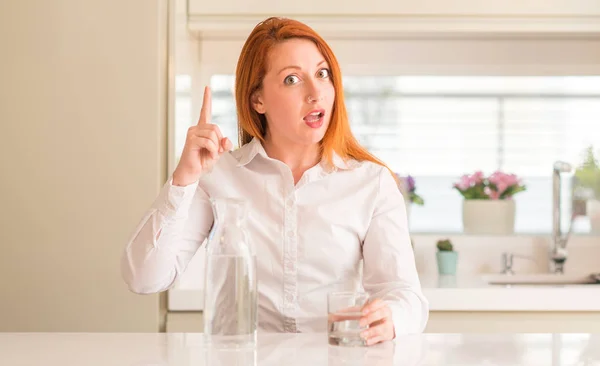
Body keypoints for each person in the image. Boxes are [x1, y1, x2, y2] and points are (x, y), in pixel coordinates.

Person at [121, 16, 429, 345]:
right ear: (258, 100)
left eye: (322, 74)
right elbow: (144, 277)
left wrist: (390, 317)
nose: (316, 93)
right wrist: (184, 178)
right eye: (292, 79)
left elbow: (405, 295)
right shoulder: (219, 175)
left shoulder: (371, 183)